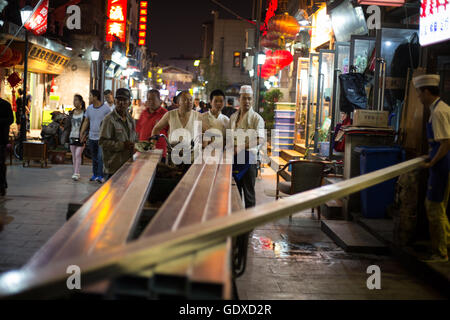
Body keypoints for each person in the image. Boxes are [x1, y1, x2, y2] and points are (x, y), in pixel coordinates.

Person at [413, 74, 450, 262]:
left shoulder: (439, 112)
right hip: (440, 163)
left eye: (419, 94)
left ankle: (441, 252)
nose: (418, 98)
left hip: (442, 165)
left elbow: (445, 143)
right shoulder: (439, 109)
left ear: (426, 92)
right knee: (437, 207)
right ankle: (442, 248)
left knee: (435, 208)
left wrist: (431, 162)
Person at [228, 85, 265, 208]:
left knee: (249, 194)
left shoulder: (256, 118)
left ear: (252, 99)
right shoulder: (233, 117)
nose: (247, 101)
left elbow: (260, 138)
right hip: (234, 159)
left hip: (250, 159)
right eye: (244, 98)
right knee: (235, 192)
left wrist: (241, 147)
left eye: (249, 98)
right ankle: (237, 222)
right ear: (239, 99)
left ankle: (249, 224)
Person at [99, 88, 137, 180]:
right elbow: (102, 142)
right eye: (119, 100)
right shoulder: (109, 119)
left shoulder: (130, 120)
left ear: (129, 103)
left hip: (128, 165)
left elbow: (134, 138)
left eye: (124, 100)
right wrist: (122, 145)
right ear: (115, 101)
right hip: (113, 168)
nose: (121, 103)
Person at [80, 89, 111, 183]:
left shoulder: (106, 109)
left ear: (95, 97)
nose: (89, 97)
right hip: (92, 136)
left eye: (90, 96)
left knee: (100, 156)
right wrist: (82, 132)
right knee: (94, 157)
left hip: (102, 138)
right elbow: (86, 121)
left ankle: (101, 175)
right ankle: (95, 174)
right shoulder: (89, 108)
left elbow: (110, 122)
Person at [136, 89, 168, 161]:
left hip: (159, 154)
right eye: (149, 99)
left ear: (160, 101)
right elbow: (138, 131)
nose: (150, 102)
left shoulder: (165, 114)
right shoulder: (143, 113)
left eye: (153, 99)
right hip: (143, 153)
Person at [67, 95, 86, 181]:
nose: (74, 102)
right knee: (74, 156)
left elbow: (86, 125)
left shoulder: (85, 113)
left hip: (81, 137)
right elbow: (68, 125)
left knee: (78, 154)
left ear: (81, 102)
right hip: (72, 136)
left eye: (76, 100)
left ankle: (76, 173)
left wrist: (85, 135)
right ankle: (75, 172)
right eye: (74, 100)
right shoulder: (71, 113)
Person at [0, 97, 14, 196]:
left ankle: (2, 186)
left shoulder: (5, 104)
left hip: (1, 139)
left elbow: (10, 119)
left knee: (0, 164)